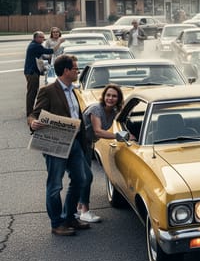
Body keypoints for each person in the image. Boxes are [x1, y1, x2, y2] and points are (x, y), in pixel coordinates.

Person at [27, 54, 91, 236]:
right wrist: (32, 123)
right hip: (56, 144)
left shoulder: (74, 90)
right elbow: (34, 114)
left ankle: (69, 216)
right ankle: (57, 223)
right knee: (55, 185)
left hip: (75, 143)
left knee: (80, 179)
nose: (78, 72)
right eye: (76, 69)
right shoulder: (48, 90)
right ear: (66, 71)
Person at [78, 84, 125, 223]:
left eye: (114, 96)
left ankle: (78, 207)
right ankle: (84, 211)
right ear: (104, 96)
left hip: (87, 144)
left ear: (118, 98)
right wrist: (120, 136)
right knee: (86, 176)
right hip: (77, 144)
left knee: (81, 177)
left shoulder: (114, 111)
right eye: (108, 95)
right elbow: (98, 131)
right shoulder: (96, 109)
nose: (110, 98)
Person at [25, 31, 56, 118]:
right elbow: (51, 51)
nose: (43, 39)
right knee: (32, 92)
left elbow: (43, 55)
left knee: (33, 91)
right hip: (32, 72)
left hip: (32, 71)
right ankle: (29, 112)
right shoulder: (35, 46)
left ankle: (30, 110)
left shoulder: (34, 45)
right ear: (36, 38)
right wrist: (60, 42)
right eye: (41, 37)